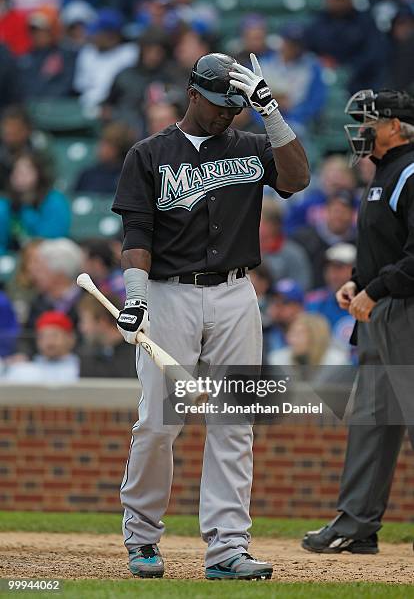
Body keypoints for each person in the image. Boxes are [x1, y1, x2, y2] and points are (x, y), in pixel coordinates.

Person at [111, 52, 309, 579]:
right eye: (221, 104)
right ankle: (143, 537)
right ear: (193, 93)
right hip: (167, 292)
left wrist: (270, 111)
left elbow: (298, 177)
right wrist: (135, 297)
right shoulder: (149, 154)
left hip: (235, 292)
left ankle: (227, 547)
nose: (228, 114)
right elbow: (136, 235)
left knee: (233, 421)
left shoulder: (250, 143)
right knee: (158, 421)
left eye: (237, 106)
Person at [302, 88, 414, 554]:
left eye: (369, 120)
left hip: (406, 311)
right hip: (378, 312)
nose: (361, 129)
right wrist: (357, 282)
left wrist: (378, 288)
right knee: (371, 418)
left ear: (395, 125)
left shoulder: (410, 170)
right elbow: (383, 246)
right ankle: (356, 525)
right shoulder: (384, 174)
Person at [304, 0, 387, 95]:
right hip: (324, 76)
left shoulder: (365, 21)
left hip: (359, 79)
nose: (339, 2)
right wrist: (320, 61)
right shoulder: (318, 21)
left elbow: (375, 52)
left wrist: (349, 68)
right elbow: (307, 49)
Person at [0, 151, 70, 252]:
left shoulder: (55, 201)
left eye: (25, 172)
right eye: (16, 171)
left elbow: (52, 240)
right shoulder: (5, 205)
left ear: (40, 173)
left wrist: (28, 215)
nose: (19, 176)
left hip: (47, 256)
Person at [73, 8, 138, 109]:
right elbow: (80, 86)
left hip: (116, 107)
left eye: (97, 33)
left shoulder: (130, 53)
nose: (93, 36)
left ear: (110, 35)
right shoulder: (88, 52)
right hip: (86, 106)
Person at [293, 189, 356, 288]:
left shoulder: (359, 240)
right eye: (335, 210)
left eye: (344, 211)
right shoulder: (304, 239)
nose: (339, 216)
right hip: (312, 296)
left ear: (352, 214)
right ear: (326, 211)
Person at [305, 243, 356, 352]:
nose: (332, 273)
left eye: (339, 267)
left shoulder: (367, 301)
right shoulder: (314, 301)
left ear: (355, 269)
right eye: (328, 267)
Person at [18, 5, 77, 99]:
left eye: (41, 30)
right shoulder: (26, 57)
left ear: (53, 30)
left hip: (55, 108)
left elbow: (65, 85)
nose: (36, 34)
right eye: (33, 30)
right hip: (27, 107)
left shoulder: (66, 55)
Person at [4, 310, 79, 383]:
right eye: (43, 336)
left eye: (54, 335)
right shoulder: (24, 369)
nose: (49, 342)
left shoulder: (81, 368)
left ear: (70, 338)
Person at [77, 293, 136, 378]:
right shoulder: (87, 356)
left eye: (84, 321)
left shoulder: (136, 356)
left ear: (103, 321)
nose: (82, 328)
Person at [260, 197, 312, 291]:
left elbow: (302, 287)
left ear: (272, 225)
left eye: (259, 221)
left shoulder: (294, 254)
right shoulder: (248, 251)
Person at [73, 122, 134, 195]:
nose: (100, 148)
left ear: (118, 149)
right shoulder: (87, 175)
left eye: (107, 144)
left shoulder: (129, 177)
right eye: (102, 143)